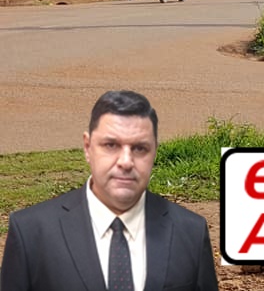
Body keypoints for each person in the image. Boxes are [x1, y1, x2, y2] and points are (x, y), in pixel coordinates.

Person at [1, 90, 218, 291]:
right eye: (111, 145)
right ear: (87, 147)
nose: (126, 161)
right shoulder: (31, 232)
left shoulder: (191, 231)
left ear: (154, 151)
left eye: (140, 148)